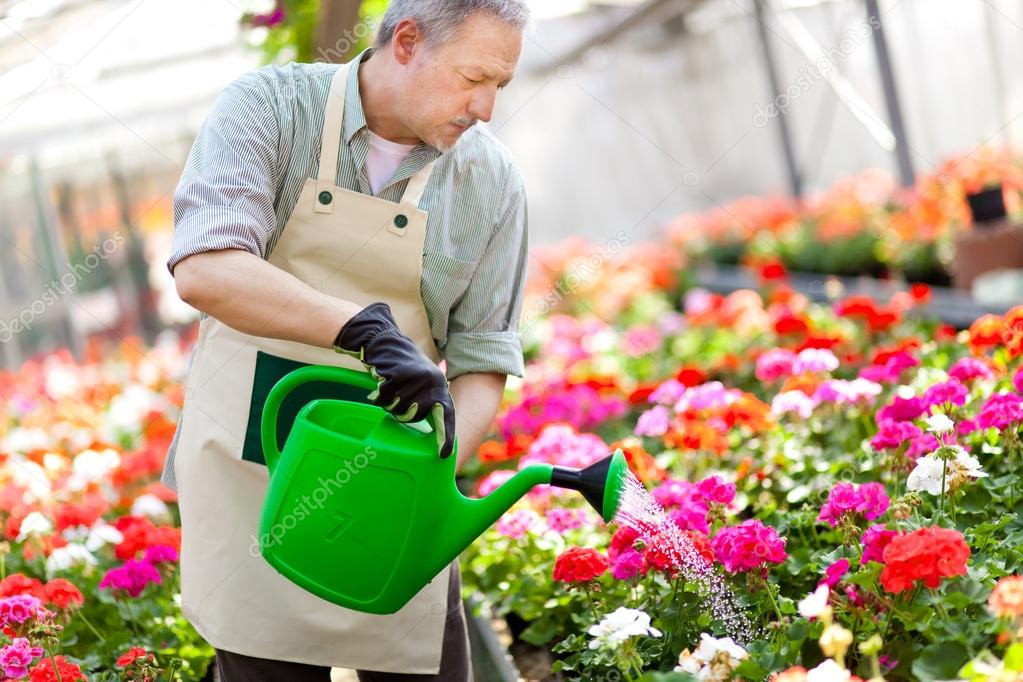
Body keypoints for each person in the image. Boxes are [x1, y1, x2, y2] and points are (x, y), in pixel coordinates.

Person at [162, 1, 530, 679]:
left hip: (387, 492)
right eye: (473, 78)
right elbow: (206, 269)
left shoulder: (492, 181)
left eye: (499, 87)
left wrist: (423, 482)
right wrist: (361, 328)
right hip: (251, 486)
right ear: (407, 41)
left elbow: (482, 359)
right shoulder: (270, 109)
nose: (484, 107)